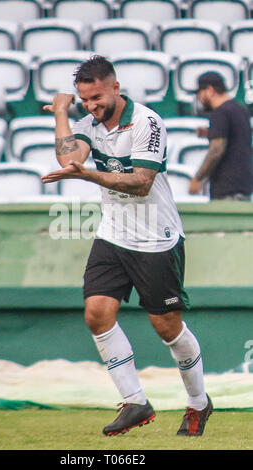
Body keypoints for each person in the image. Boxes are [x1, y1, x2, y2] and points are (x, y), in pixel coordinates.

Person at [41, 55, 213, 437]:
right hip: (113, 235)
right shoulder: (88, 122)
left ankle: (199, 403)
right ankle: (134, 401)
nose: (92, 106)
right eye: (85, 100)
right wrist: (61, 114)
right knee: (96, 313)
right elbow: (71, 161)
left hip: (156, 238)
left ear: (115, 88)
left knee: (166, 326)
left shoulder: (147, 122)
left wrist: (89, 176)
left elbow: (141, 182)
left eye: (97, 98)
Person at [189, 71, 253, 200]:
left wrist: (198, 179)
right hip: (244, 186)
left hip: (227, 188)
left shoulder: (220, 112)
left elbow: (216, 150)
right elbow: (237, 137)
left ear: (210, 90)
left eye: (200, 92)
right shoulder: (241, 110)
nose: (199, 98)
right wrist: (209, 133)